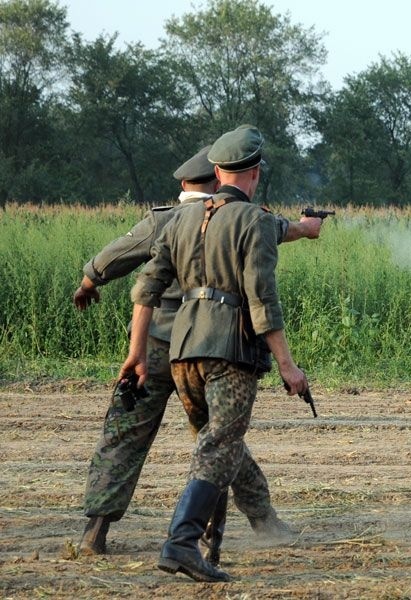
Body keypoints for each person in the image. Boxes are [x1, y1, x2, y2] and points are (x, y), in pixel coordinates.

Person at [74, 146, 321, 560]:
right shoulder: (237, 217)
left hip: (156, 345)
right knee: (223, 437)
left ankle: (94, 531)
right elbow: (277, 231)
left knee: (126, 432)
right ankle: (261, 521)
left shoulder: (166, 219)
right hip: (210, 344)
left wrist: (88, 282)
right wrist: (306, 227)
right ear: (218, 180)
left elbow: (113, 259)